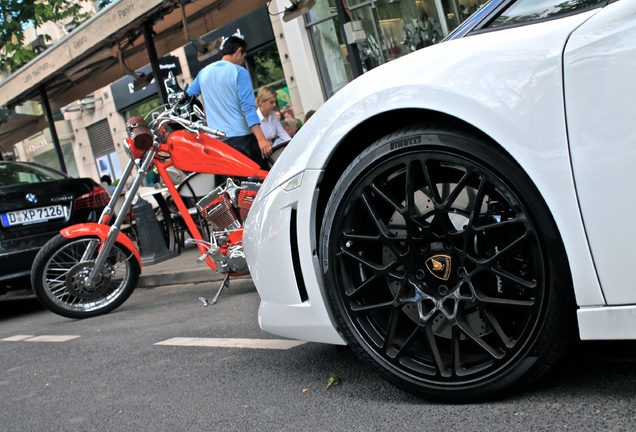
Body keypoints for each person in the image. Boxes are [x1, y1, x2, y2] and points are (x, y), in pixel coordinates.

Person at [186, 36, 272, 167]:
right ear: (239, 52)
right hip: (243, 140)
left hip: (218, 144)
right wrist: (261, 139)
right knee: (263, 182)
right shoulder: (239, 72)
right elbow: (247, 108)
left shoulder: (203, 73)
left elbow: (186, 97)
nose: (243, 62)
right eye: (243, 57)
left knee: (229, 186)